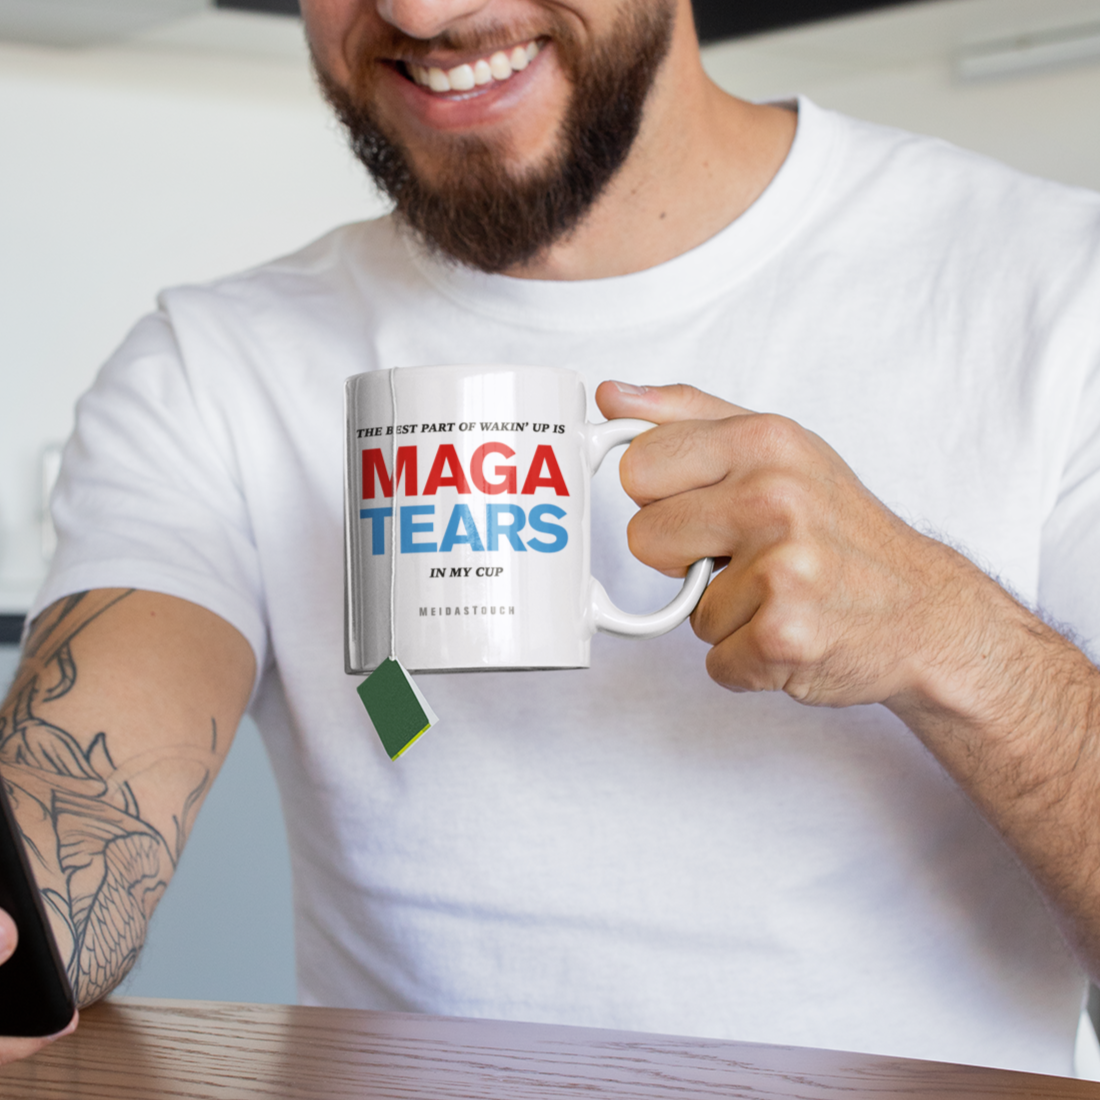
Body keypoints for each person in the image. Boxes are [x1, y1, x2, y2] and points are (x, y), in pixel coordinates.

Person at [2, 0, 1100, 1076]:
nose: (421, 13)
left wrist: (957, 641)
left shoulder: (1056, 288)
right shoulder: (209, 366)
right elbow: (85, 795)